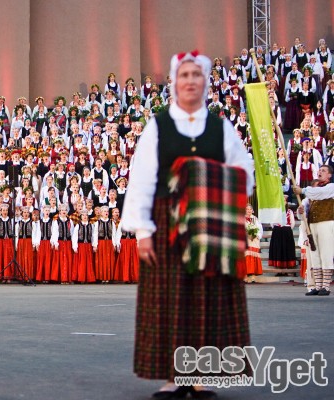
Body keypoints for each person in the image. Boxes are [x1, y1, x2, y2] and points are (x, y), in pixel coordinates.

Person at [121, 51, 254, 399]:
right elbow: (142, 178)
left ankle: (200, 377)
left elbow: (245, 172)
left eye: (196, 74)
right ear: (174, 82)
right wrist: (143, 231)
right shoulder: (158, 126)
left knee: (207, 298)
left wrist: (207, 181)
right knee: (171, 300)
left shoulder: (221, 128)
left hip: (210, 223)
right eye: (184, 75)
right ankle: (173, 377)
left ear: (205, 81)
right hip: (168, 222)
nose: (190, 81)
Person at [293, 165, 334, 295]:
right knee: (315, 254)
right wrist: (301, 211)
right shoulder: (312, 194)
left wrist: (302, 190)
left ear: (329, 175)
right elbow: (303, 211)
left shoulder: (331, 188)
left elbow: (320, 193)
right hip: (312, 225)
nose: (320, 172)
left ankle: (326, 286)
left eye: (323, 170)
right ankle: (318, 285)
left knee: (326, 253)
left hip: (326, 223)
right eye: (319, 170)